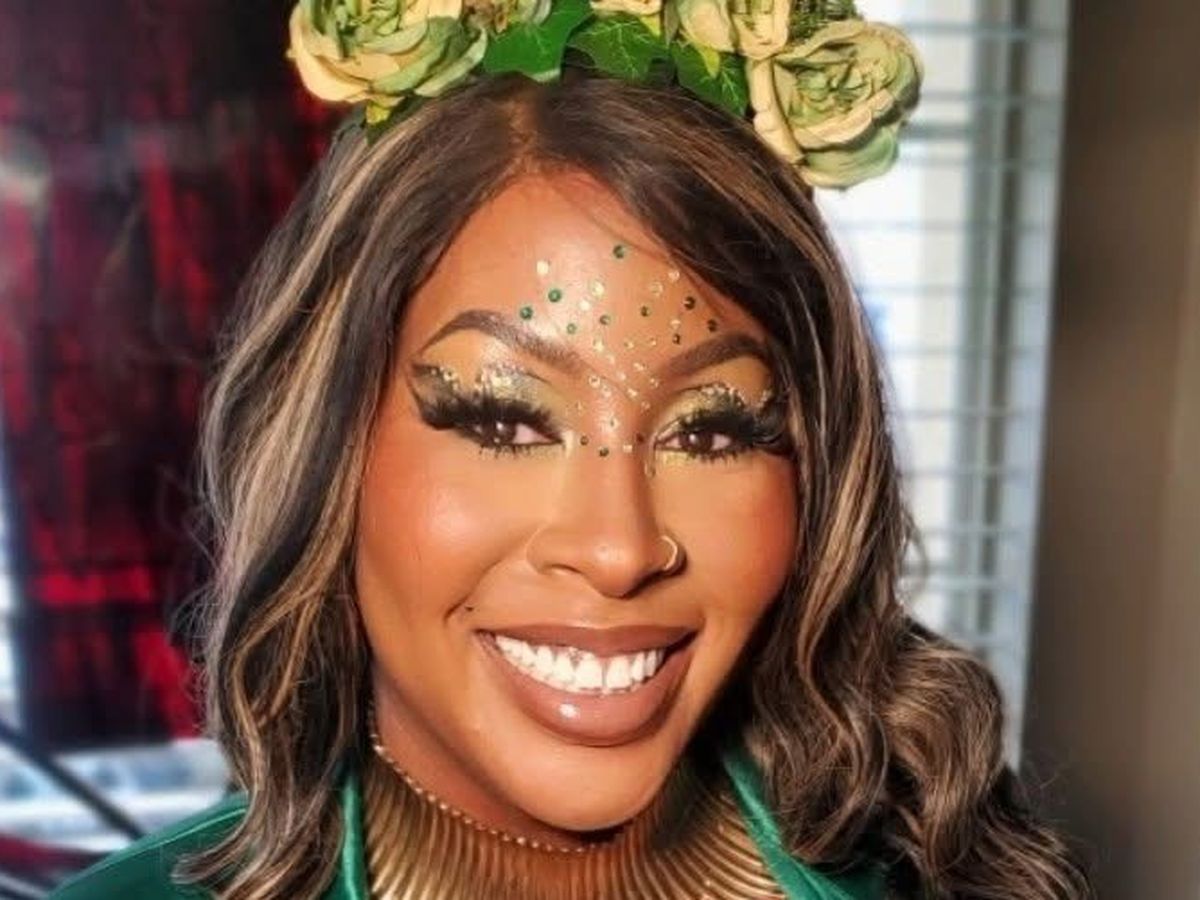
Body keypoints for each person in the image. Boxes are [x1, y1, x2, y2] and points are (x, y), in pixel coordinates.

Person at [50, 1, 1091, 898]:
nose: (618, 548)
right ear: (328, 446)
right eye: (502, 420)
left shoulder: (934, 871)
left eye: (713, 429)